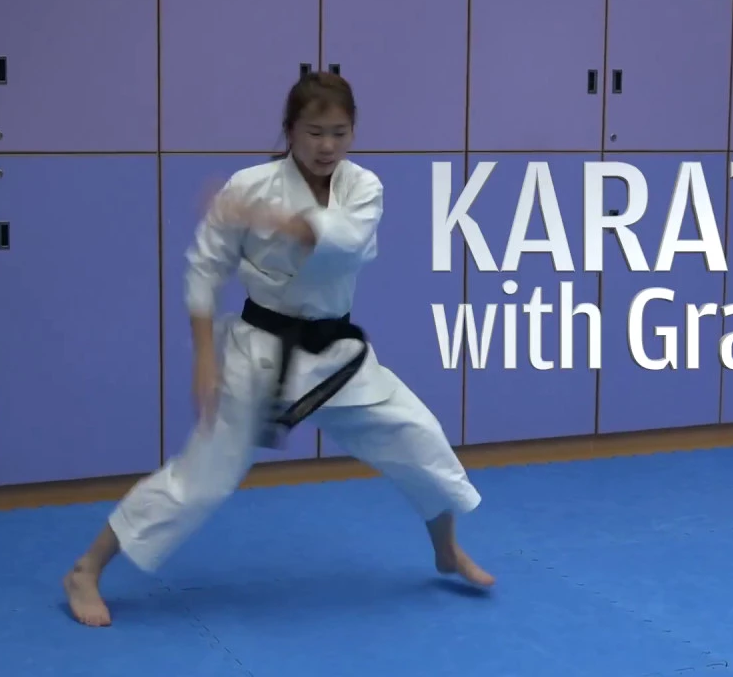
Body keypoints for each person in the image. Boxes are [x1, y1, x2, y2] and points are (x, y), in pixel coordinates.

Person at [63, 71, 494, 627]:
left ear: (353, 133)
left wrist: (264, 220)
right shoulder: (248, 185)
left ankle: (445, 549)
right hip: (258, 353)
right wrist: (204, 358)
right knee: (201, 480)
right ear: (290, 130)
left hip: (335, 355)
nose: (327, 146)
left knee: (417, 435)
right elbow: (204, 270)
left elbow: (344, 242)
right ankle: (86, 569)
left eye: (339, 133)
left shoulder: (363, 187)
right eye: (314, 132)